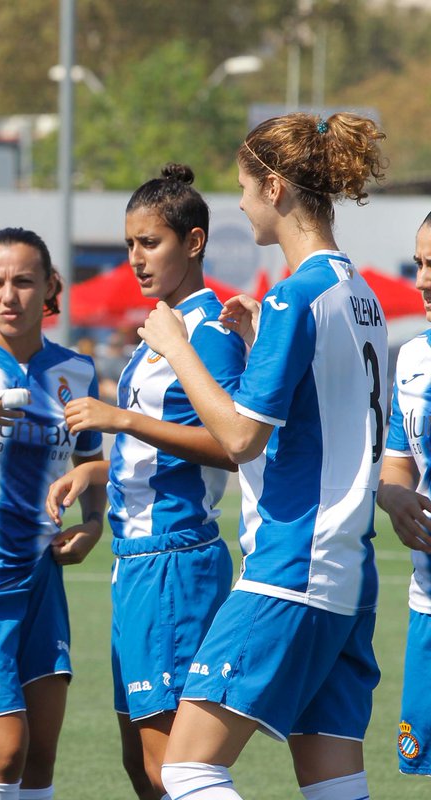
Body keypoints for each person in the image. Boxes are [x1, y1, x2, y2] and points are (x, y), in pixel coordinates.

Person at [136, 112, 387, 800]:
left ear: (274, 188)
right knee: (334, 784)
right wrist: (256, 347)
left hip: (291, 567)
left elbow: (241, 439)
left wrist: (178, 349)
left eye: (245, 189)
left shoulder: (294, 295)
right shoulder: (360, 294)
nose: (242, 205)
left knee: (187, 769)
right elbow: (324, 415)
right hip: (349, 573)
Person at [46, 165, 245, 799]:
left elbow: (234, 446)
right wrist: (96, 469)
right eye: (130, 243)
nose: (135, 258)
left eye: (150, 243)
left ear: (195, 242)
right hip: (135, 564)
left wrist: (120, 418)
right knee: (141, 766)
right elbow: (157, 452)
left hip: (174, 563)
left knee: (172, 770)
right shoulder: (159, 330)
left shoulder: (208, 333)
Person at [0, 227, 106, 800]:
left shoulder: (76, 371)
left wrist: (93, 523)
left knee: (38, 760)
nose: (8, 296)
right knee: (4, 750)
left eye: (24, 281)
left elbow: (92, 462)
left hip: (42, 583)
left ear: (51, 286)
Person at [377, 210, 431, 779]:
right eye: (419, 263)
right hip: (427, 602)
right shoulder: (413, 357)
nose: (421, 281)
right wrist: (392, 496)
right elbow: (397, 461)